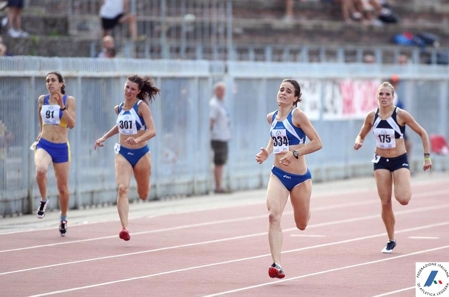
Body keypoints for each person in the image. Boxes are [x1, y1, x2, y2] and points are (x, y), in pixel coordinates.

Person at [353, 81, 432, 254]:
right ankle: (391, 239)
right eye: (381, 94)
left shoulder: (400, 115)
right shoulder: (371, 117)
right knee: (385, 202)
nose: (384, 97)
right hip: (380, 160)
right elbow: (362, 134)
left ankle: (404, 184)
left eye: (387, 94)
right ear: (377, 96)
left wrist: (427, 157)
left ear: (392, 97)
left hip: (399, 159)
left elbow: (422, 133)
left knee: (403, 199)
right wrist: (358, 141)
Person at [255, 79, 322, 279]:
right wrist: (267, 152)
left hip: (300, 178)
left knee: (301, 224)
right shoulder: (271, 117)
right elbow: (274, 138)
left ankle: (306, 209)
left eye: (288, 91)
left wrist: (295, 154)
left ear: (295, 98)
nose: (283, 93)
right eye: (281, 89)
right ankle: (277, 264)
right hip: (278, 175)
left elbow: (317, 143)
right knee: (273, 216)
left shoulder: (298, 116)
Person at [94, 75, 159, 241]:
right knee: (122, 188)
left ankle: (145, 179)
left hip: (141, 153)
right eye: (127, 87)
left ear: (138, 92)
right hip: (122, 152)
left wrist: (137, 139)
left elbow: (152, 130)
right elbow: (120, 125)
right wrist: (104, 137)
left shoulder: (142, 107)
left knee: (143, 194)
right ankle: (124, 227)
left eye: (132, 89)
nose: (128, 91)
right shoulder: (119, 108)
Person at [33, 72, 76, 237]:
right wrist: (40, 130)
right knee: (41, 170)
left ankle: (63, 218)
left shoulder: (68, 100)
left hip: (61, 147)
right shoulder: (42, 99)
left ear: (61, 84)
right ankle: (44, 200)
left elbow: (72, 124)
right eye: (47, 81)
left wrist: (61, 106)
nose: (49, 83)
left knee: (63, 188)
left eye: (53, 80)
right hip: (44, 143)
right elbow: (40, 113)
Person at [209, 82, 231, 194]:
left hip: (224, 136)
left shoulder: (221, 103)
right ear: (216, 91)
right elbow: (211, 120)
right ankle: (218, 186)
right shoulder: (214, 104)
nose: (223, 93)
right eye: (221, 90)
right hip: (217, 137)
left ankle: (220, 185)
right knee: (218, 161)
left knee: (221, 162)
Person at [389, 75, 412, 155]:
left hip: (398, 125)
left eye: (396, 83)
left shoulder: (395, 95)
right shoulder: (390, 95)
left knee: (407, 145)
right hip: (393, 125)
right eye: (393, 83)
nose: (394, 85)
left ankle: (404, 164)